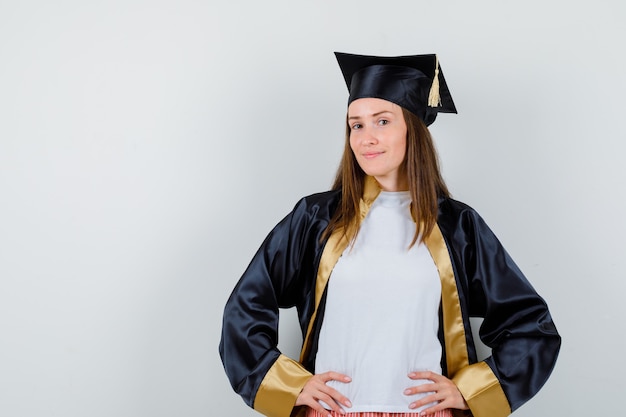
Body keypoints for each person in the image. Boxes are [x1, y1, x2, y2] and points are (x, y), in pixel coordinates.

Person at [219, 52, 560, 417]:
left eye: (382, 121)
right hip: (331, 412)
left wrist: (469, 391)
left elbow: (530, 327)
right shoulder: (317, 219)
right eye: (357, 125)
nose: (367, 138)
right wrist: (292, 384)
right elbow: (244, 309)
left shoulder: (457, 226)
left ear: (413, 128)